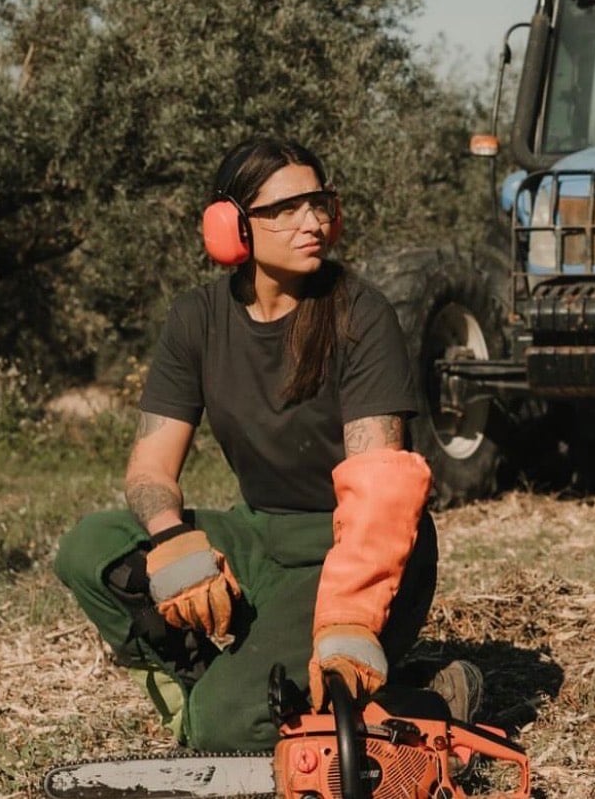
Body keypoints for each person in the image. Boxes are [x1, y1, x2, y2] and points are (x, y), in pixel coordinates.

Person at [54, 137, 481, 752]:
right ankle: (222, 695)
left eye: (321, 203)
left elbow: (381, 489)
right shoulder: (195, 319)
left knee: (228, 727)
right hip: (261, 540)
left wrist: (350, 620)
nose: (313, 222)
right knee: (90, 549)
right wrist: (174, 541)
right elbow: (150, 466)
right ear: (233, 227)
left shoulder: (361, 314)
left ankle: (424, 698)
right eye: (287, 208)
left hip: (355, 553)